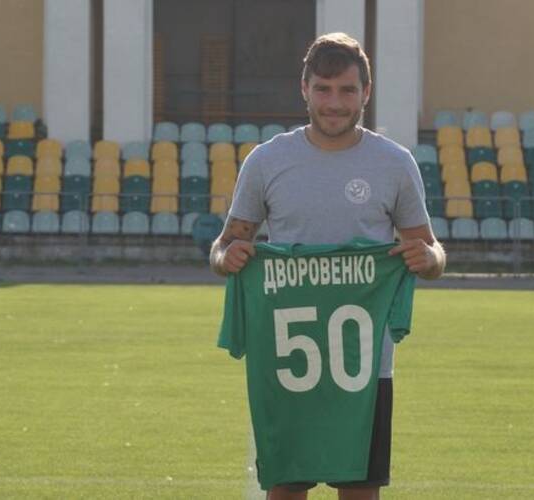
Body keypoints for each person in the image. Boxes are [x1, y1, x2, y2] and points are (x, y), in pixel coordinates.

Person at [211, 32, 446, 500]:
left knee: (360, 493)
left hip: (365, 367)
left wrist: (429, 258)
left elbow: (432, 252)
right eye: (323, 88)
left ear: (366, 93)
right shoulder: (267, 161)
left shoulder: (394, 163)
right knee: (285, 491)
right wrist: (226, 257)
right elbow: (223, 247)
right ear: (305, 89)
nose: (334, 102)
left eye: (346, 90)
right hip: (286, 361)